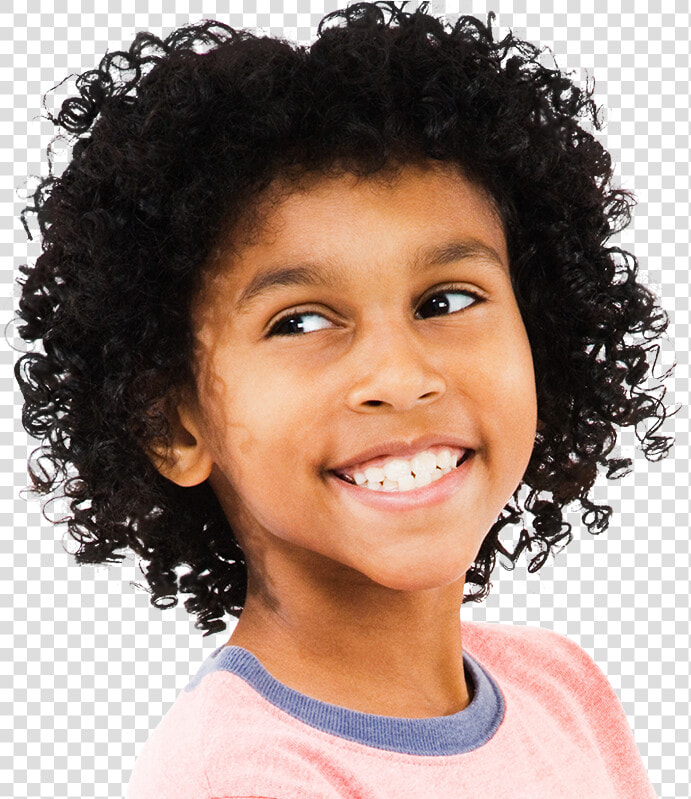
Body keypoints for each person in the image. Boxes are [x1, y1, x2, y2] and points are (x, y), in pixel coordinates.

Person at [14, 2, 675, 796]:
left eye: (446, 300)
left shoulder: (561, 687)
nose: (400, 376)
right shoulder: (244, 776)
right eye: (299, 321)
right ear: (173, 423)